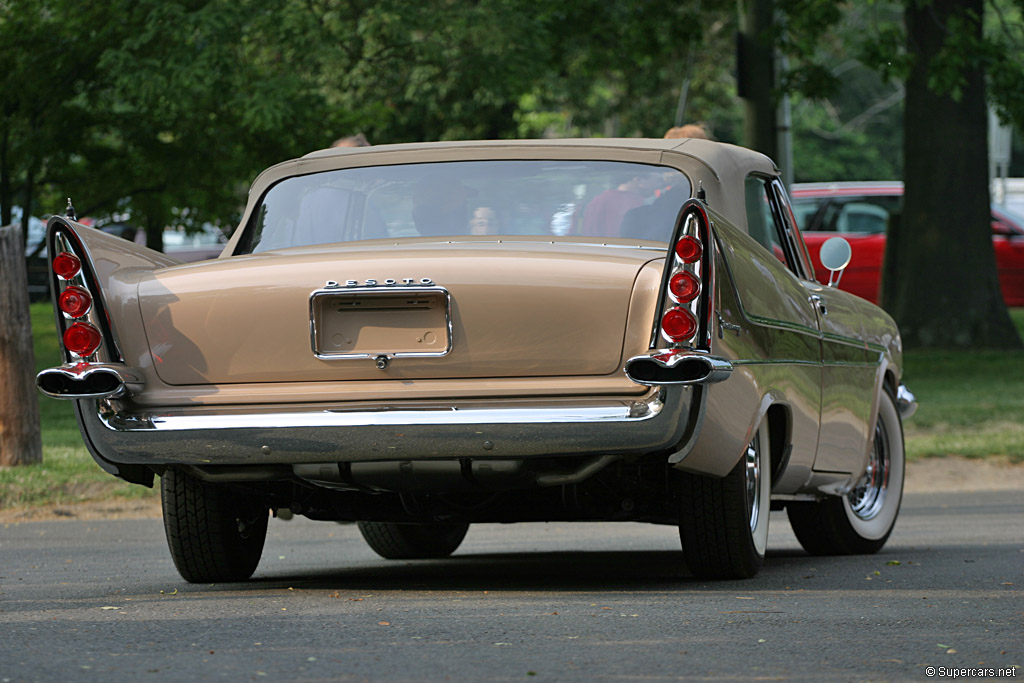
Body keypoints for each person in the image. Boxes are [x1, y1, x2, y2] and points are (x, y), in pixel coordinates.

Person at [579, 172, 663, 238]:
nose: (659, 185)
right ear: (638, 180)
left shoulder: (597, 199)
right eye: (658, 180)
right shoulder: (637, 203)